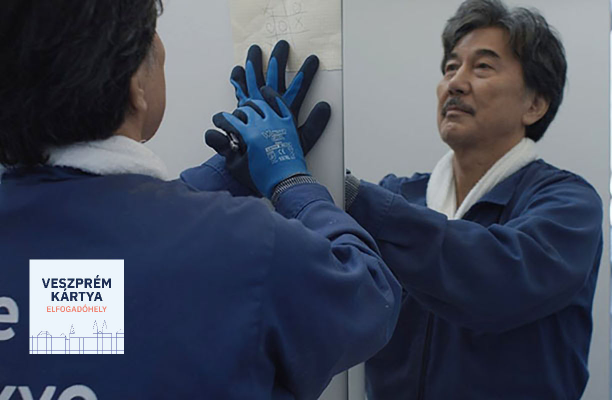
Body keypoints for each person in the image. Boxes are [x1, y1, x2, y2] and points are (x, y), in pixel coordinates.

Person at [0, 1, 401, 399]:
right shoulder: (246, 246)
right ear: (135, 85)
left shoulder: (60, 282)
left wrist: (217, 182)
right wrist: (291, 181)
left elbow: (87, 331)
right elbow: (370, 298)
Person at [340, 0, 603, 398]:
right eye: (450, 67)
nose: (455, 83)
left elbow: (495, 281)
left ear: (534, 104)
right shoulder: (399, 197)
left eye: (482, 67)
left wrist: (354, 199)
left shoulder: (568, 206)